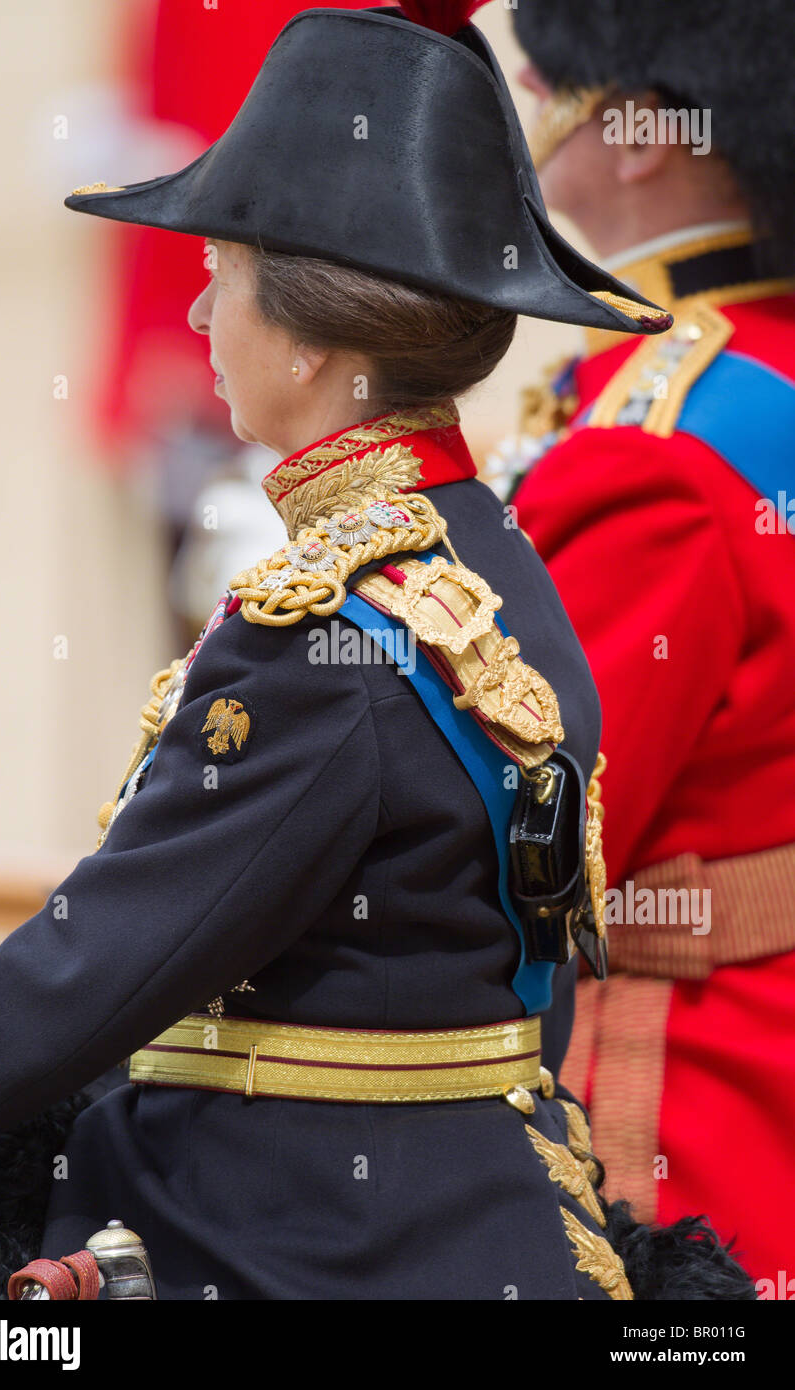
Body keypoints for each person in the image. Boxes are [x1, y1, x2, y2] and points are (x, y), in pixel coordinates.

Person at [0, 2, 751, 1301]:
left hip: (314, 1240)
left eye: (224, 273)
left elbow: (103, 958)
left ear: (310, 341)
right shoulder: (483, 555)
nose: (198, 308)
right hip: (460, 1212)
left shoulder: (326, 636)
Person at [502, 0, 795, 1291]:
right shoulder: (734, 383)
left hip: (682, 1108)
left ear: (637, 133)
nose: (525, 91)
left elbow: (514, 833)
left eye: (548, 73)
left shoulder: (663, 446)